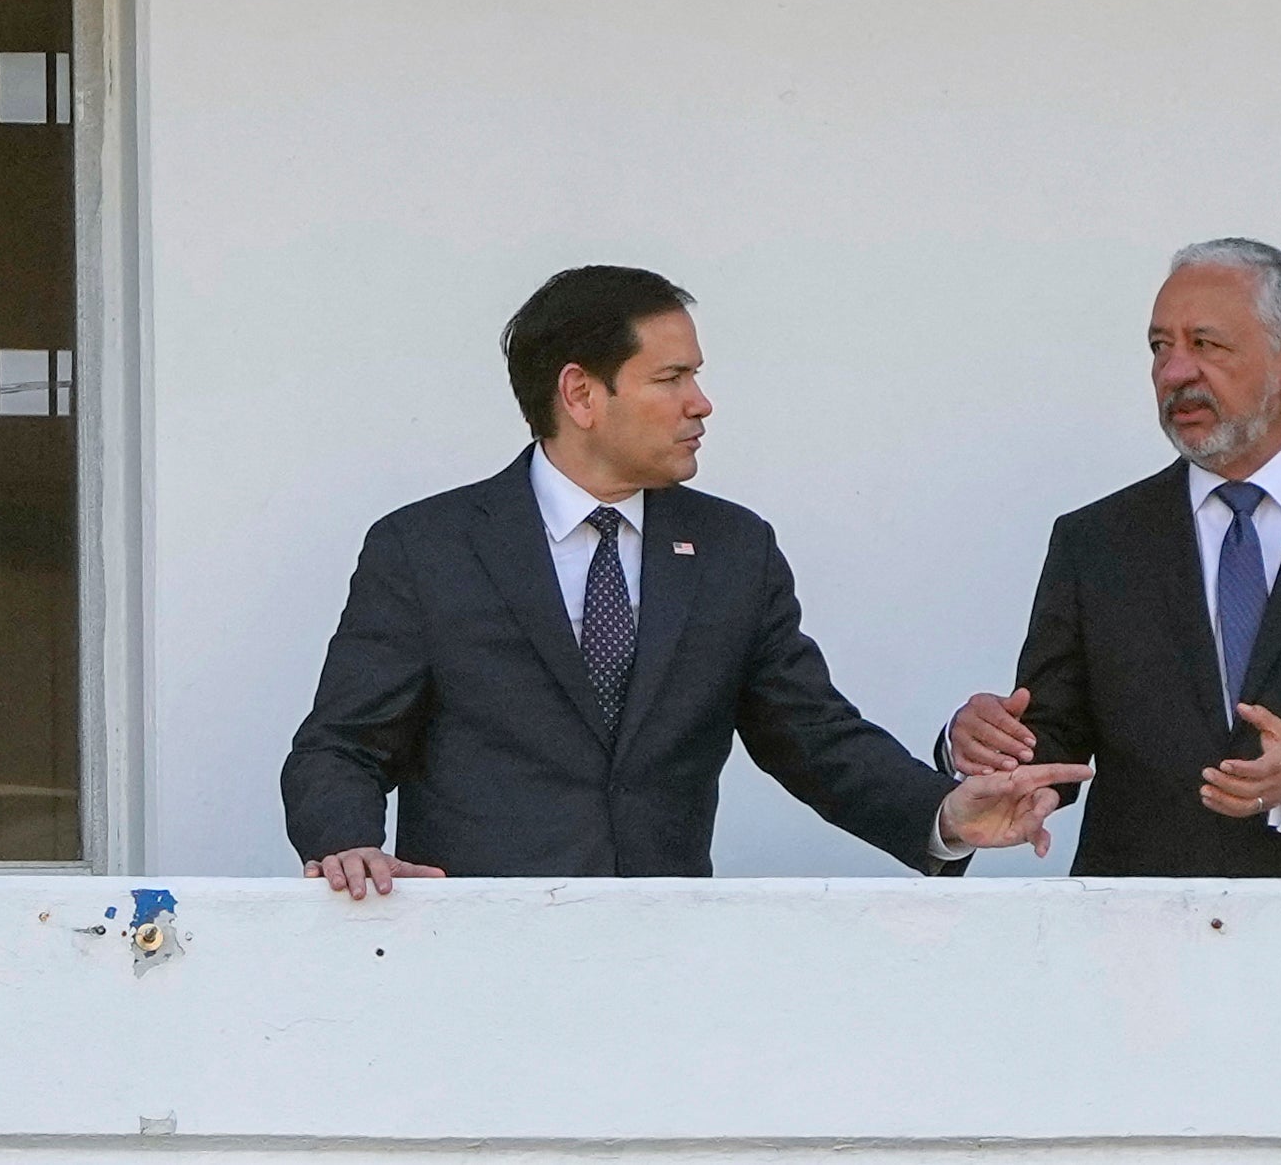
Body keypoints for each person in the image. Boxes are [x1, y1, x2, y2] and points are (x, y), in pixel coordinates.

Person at [284, 265, 1088, 894]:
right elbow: (341, 744)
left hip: (666, 957)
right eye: (670, 379)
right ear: (580, 393)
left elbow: (812, 738)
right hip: (470, 951)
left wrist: (943, 815)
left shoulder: (733, 549)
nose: (700, 403)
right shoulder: (427, 547)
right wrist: (346, 843)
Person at [941, 238, 1281, 877]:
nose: (1174, 374)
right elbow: (1052, 738)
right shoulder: (1097, 540)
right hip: (1134, 940)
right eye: (1160, 347)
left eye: (1206, 345)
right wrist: (978, 746)